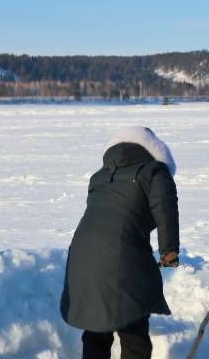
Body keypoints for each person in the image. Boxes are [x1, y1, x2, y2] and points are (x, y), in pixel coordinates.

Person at [61, 126, 180, 359]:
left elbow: (104, 217)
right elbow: (166, 213)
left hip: (83, 257)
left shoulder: (100, 176)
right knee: (133, 330)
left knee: (97, 330)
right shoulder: (155, 172)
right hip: (123, 257)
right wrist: (169, 252)